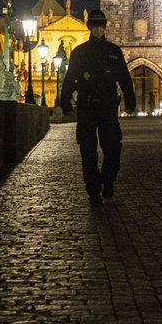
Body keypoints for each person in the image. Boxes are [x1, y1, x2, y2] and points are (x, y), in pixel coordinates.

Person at [59, 10, 136, 204]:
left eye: (101, 26)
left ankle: (108, 180)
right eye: (95, 26)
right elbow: (69, 80)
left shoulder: (114, 51)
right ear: (90, 28)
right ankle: (93, 189)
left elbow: (124, 78)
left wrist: (130, 100)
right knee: (88, 151)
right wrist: (65, 103)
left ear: (105, 27)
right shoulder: (79, 52)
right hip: (87, 107)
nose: (98, 30)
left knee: (112, 149)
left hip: (108, 108)